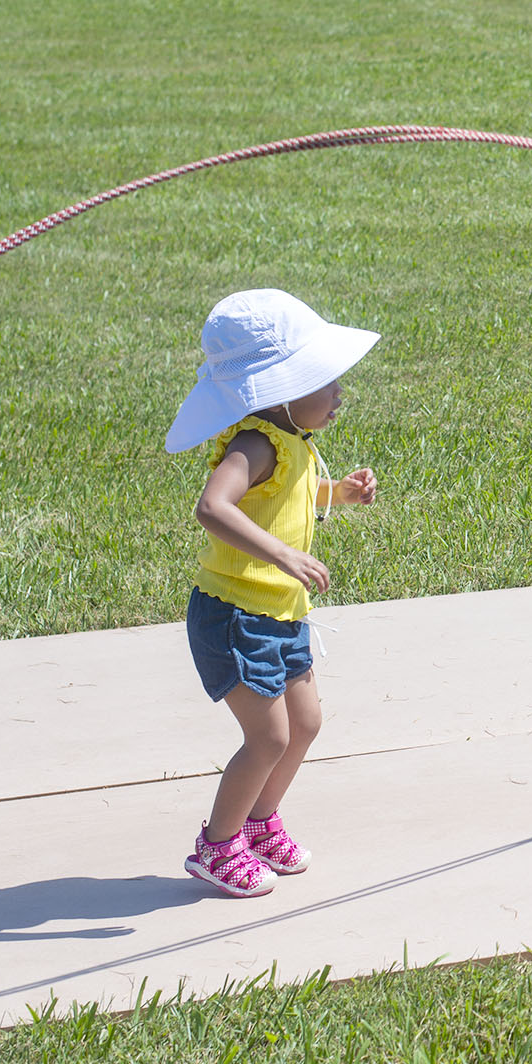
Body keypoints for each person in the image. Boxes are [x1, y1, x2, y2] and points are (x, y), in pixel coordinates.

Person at [165, 289, 380, 898]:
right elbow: (213, 506)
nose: (339, 392)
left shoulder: (296, 446)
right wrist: (282, 553)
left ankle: (260, 824)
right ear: (281, 389)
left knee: (306, 723)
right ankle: (217, 845)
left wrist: (339, 493)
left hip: (281, 614)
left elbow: (294, 494)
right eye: (326, 381)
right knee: (269, 737)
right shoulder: (255, 443)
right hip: (233, 616)